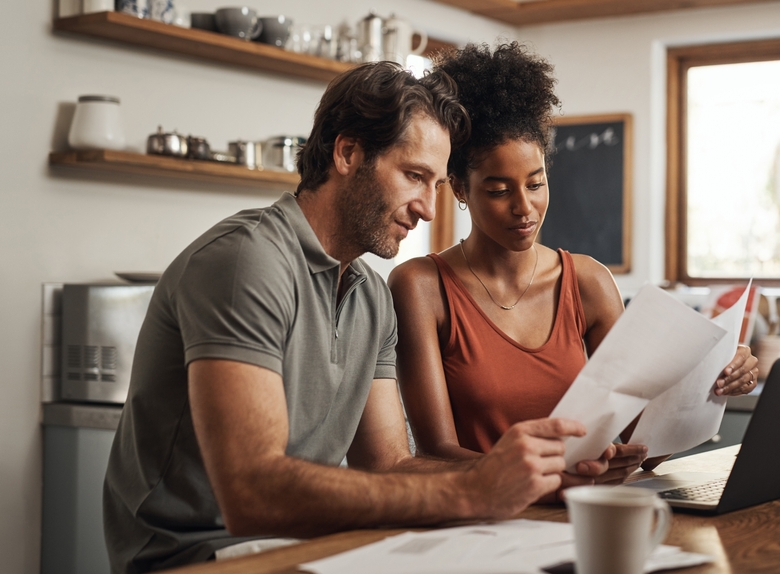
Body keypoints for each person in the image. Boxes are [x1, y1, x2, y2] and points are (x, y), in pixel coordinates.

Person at [102, 62, 597, 574]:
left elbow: (389, 466)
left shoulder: (371, 297)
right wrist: (472, 490)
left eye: (436, 185)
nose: (428, 208)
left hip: (303, 545)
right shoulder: (247, 262)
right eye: (413, 176)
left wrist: (538, 475)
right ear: (347, 153)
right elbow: (252, 493)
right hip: (196, 556)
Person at [388, 43, 760, 485]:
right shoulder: (420, 286)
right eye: (498, 190)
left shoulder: (588, 281)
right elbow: (436, 453)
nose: (524, 207)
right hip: (483, 521)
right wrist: (550, 475)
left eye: (536, 183)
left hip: (585, 511)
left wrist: (712, 381)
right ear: (460, 188)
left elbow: (642, 442)